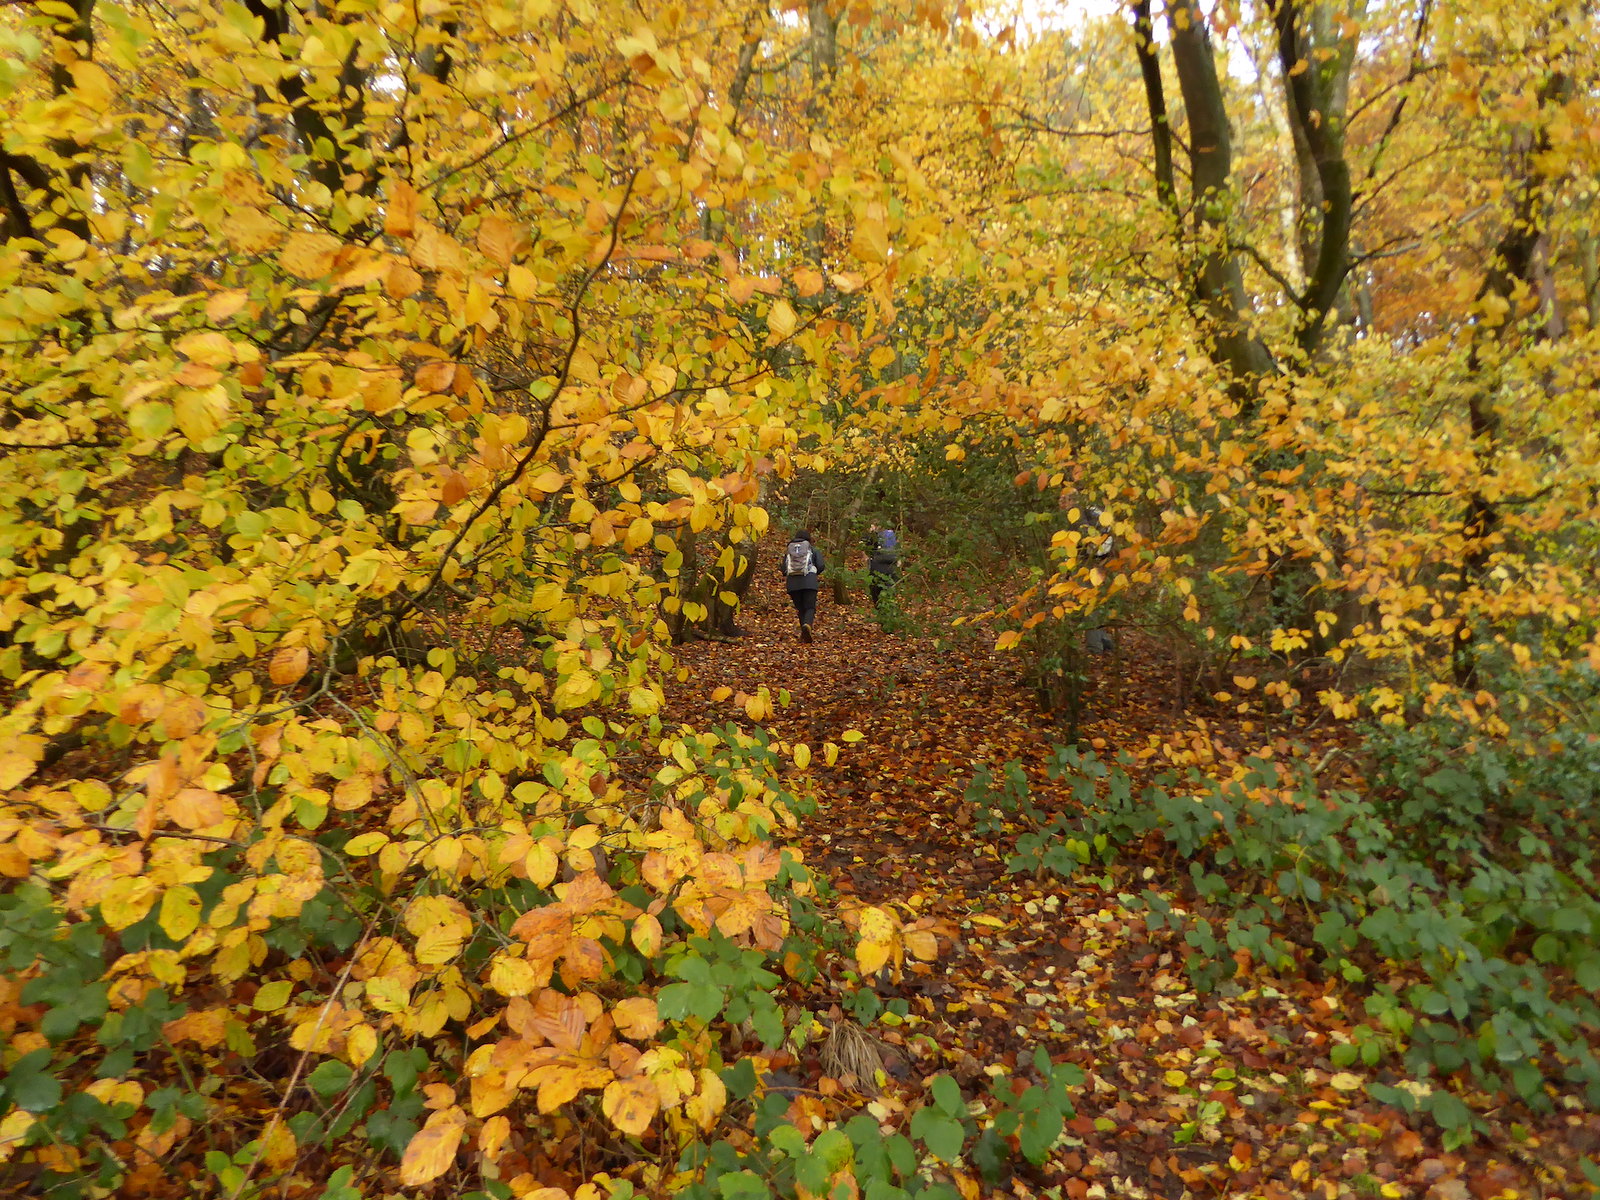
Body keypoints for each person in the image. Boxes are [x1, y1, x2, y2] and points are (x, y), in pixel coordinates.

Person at [781, 529, 825, 643]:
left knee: (801, 609)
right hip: (809, 582)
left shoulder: (789, 551)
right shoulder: (812, 550)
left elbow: (783, 569)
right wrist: (814, 573)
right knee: (810, 607)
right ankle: (807, 626)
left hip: (792, 584)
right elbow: (821, 565)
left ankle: (803, 634)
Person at [865, 523, 901, 611]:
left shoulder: (873, 537)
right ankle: (889, 611)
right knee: (889, 588)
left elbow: (865, 548)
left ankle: (880, 611)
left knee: (876, 589)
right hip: (891, 567)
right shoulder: (892, 535)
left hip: (878, 567)